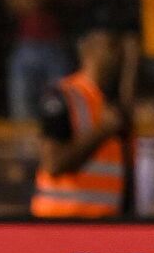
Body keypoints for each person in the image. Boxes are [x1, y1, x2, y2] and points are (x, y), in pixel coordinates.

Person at [31, 20, 127, 218]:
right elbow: (53, 163)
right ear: (87, 49)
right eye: (109, 46)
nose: (116, 55)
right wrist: (102, 131)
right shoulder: (63, 95)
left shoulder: (113, 104)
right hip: (60, 221)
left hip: (102, 225)